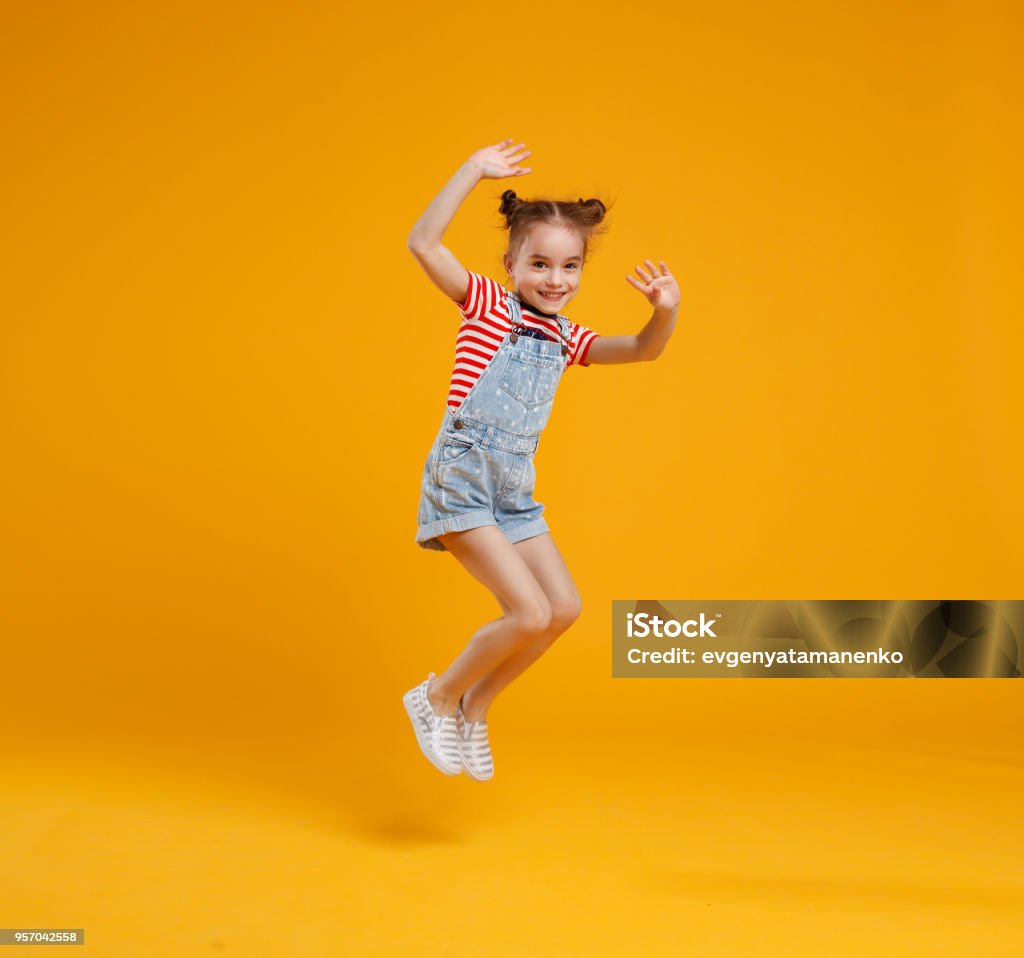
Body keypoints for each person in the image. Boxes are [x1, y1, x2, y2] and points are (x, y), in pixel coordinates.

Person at [403, 138, 680, 781]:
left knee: (563, 609)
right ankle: (437, 696)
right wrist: (472, 169)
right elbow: (423, 244)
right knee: (525, 612)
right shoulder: (487, 305)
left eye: (569, 268)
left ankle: (476, 705)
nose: (555, 281)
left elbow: (641, 350)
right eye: (540, 265)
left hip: (513, 491)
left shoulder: (568, 336)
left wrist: (666, 312)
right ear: (510, 264)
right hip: (465, 480)